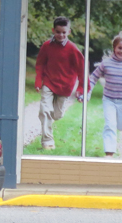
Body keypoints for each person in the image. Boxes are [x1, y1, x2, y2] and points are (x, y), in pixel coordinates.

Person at [34, 16, 85, 150]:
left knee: (56, 115)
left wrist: (81, 87)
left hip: (65, 86)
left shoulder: (73, 49)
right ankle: (47, 141)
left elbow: (82, 69)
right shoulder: (47, 46)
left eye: (64, 32)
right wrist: (39, 81)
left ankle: (52, 121)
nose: (61, 35)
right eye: (58, 32)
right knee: (45, 110)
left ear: (69, 32)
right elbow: (40, 64)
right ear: (53, 30)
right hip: (49, 82)